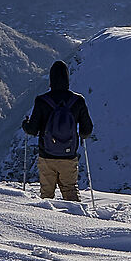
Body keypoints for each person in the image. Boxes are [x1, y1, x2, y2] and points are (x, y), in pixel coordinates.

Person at [21, 61, 95, 202]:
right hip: (69, 156)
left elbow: (32, 130)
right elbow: (87, 130)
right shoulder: (78, 101)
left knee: (46, 195)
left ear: (51, 80)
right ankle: (77, 220)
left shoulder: (42, 101)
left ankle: (47, 221)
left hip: (46, 155)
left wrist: (25, 124)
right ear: (68, 78)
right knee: (70, 190)